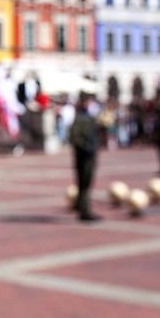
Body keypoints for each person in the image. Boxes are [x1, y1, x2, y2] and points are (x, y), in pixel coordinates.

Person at [68, 92, 101, 221]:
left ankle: (83, 208)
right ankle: (84, 211)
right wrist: (85, 147)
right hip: (83, 157)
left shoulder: (89, 117)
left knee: (87, 183)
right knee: (84, 184)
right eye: (88, 101)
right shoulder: (79, 118)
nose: (90, 104)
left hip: (90, 156)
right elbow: (74, 138)